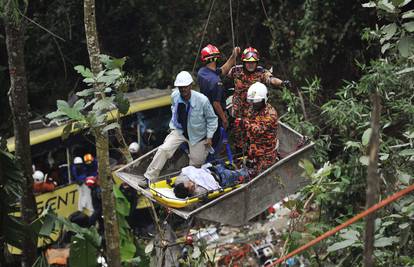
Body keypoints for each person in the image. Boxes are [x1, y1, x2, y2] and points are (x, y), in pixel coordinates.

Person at [143, 71, 218, 184]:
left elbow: (212, 119)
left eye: (185, 87)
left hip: (198, 135)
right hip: (180, 130)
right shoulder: (175, 96)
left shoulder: (202, 100)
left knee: (196, 163)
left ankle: (188, 183)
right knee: (164, 149)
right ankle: (149, 177)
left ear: (190, 86)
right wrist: (172, 127)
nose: (183, 90)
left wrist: (209, 136)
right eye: (180, 87)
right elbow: (174, 111)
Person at [227, 47, 289, 151]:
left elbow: (271, 79)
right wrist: (233, 56)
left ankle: (253, 155)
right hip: (239, 110)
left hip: (254, 111)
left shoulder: (261, 72)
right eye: (248, 62)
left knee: (254, 135)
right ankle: (239, 156)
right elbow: (224, 76)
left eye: (253, 62)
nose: (250, 65)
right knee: (239, 136)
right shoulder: (236, 70)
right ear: (243, 62)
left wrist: (282, 83)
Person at [197, 44, 240, 148]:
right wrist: (224, 119)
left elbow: (223, 70)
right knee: (215, 141)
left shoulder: (202, 72)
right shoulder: (216, 82)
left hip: (204, 114)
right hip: (215, 116)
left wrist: (233, 56)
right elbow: (216, 104)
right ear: (215, 58)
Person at [238, 82, 279, 176]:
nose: (254, 105)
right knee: (249, 173)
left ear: (264, 100)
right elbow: (249, 120)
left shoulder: (270, 114)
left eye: (257, 102)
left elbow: (258, 130)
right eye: (252, 102)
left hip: (266, 153)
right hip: (253, 148)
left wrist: (244, 124)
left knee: (263, 176)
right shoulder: (252, 109)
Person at [173, 163, 248, 199]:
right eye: (191, 187)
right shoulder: (199, 192)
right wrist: (194, 186)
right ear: (189, 192)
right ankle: (246, 171)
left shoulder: (181, 181)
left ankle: (233, 167)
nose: (191, 183)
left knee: (222, 165)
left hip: (211, 170)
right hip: (222, 178)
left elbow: (183, 174)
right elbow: (202, 192)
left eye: (188, 182)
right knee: (238, 174)